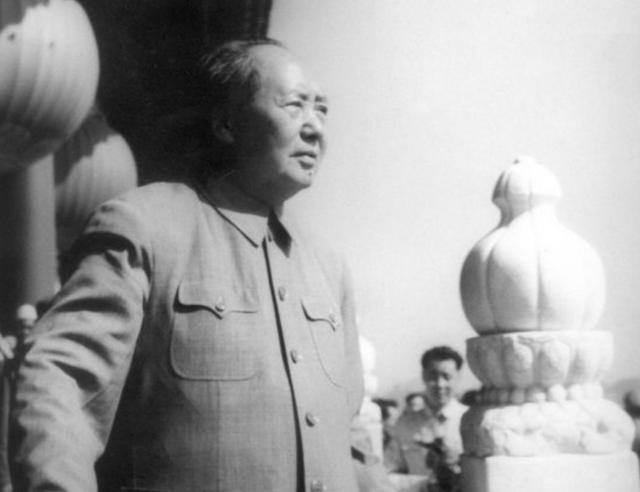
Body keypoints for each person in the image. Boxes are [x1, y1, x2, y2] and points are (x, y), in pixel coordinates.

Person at [9, 39, 373, 492]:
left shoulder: (330, 267)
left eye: (321, 109)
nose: (315, 127)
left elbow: (349, 437)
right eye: (295, 105)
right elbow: (60, 383)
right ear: (226, 123)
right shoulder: (145, 225)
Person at [384, 346, 467, 491]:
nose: (440, 384)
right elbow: (388, 474)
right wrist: (423, 485)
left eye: (447, 377)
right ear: (423, 376)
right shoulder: (405, 424)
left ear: (458, 377)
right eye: (433, 377)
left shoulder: (469, 421)